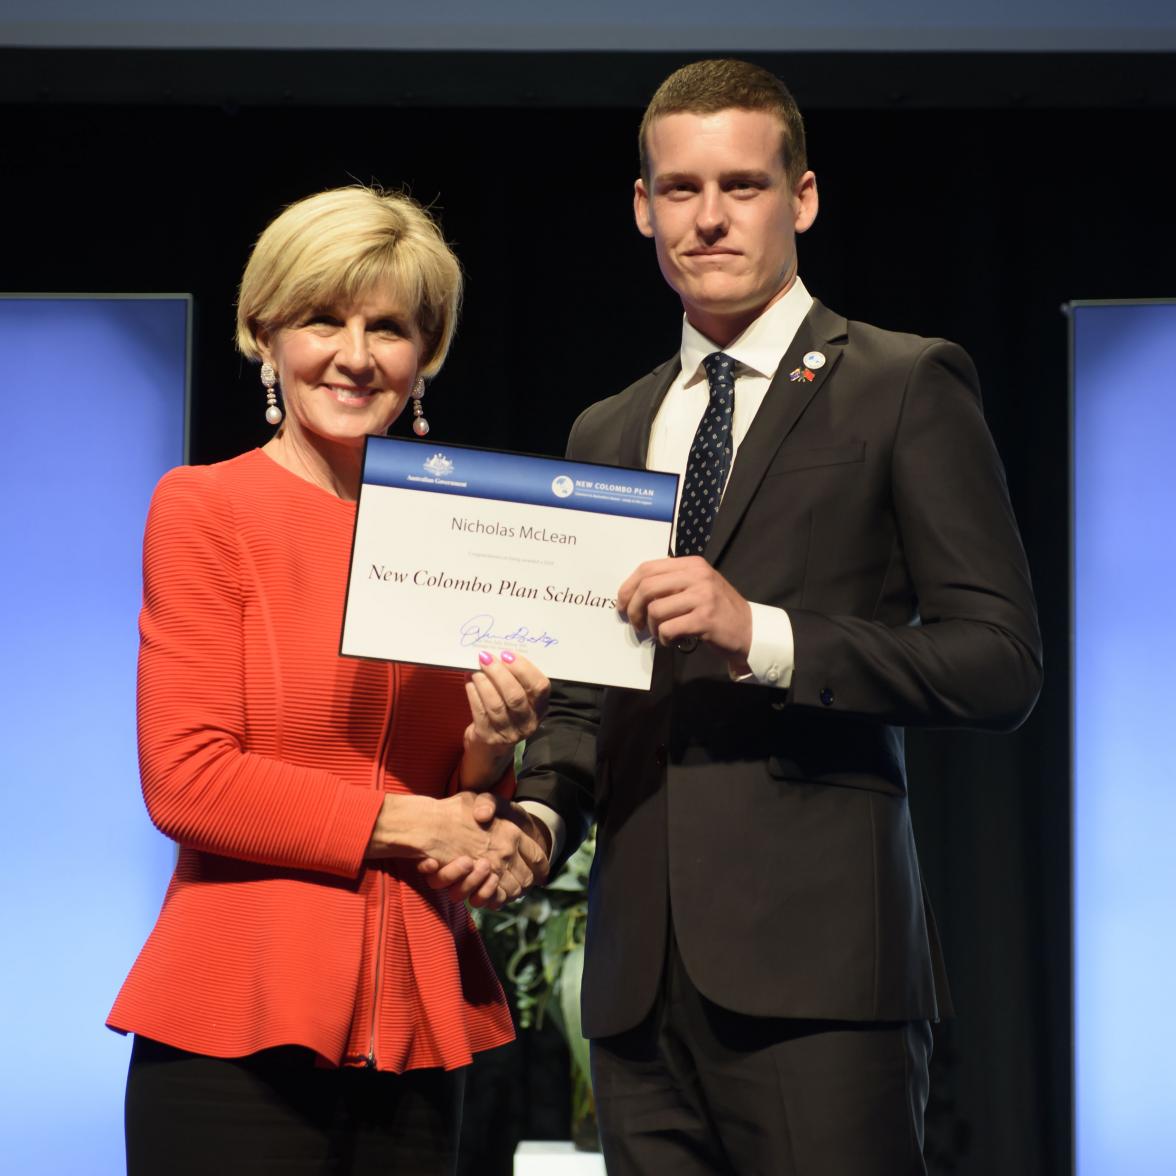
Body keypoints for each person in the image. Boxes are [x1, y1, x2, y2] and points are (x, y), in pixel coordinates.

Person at [516, 59, 1042, 1175]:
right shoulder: (607, 430)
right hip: (633, 988)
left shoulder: (901, 383)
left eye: (743, 185)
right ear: (643, 207)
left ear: (801, 198)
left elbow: (999, 663)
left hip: (822, 982)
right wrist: (535, 821)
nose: (708, 218)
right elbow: (579, 697)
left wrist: (763, 631)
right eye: (680, 188)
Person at [108, 185, 552, 1176]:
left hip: (417, 1014)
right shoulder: (206, 507)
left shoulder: (466, 526)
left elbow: (462, 800)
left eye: (388, 327)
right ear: (264, 333)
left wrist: (495, 742)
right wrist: (405, 823)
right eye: (322, 319)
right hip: (236, 1021)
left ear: (425, 354)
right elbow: (187, 780)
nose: (355, 355)